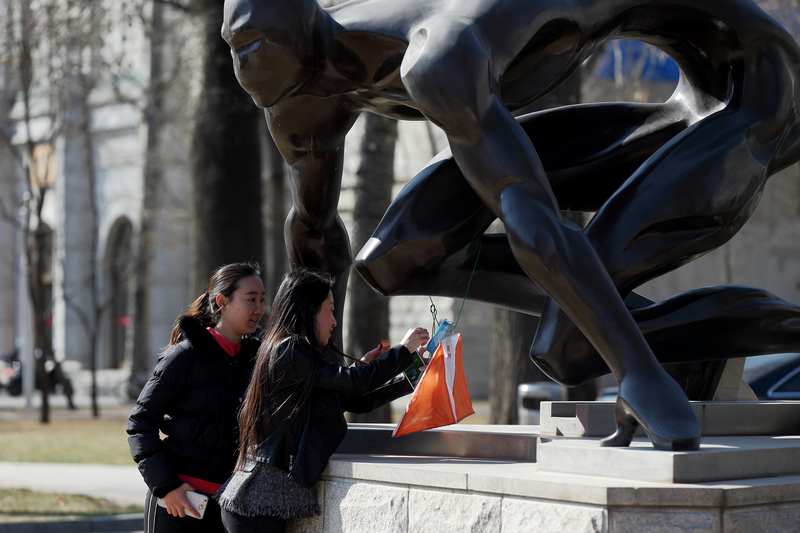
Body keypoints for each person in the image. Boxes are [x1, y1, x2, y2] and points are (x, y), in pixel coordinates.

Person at [221, 0, 800, 450]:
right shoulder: (300, 99)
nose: (242, 66)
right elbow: (314, 238)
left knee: (570, 345)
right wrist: (308, 383)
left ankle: (751, 338)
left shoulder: (436, 53)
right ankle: (685, 350)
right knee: (396, 259)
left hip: (756, 93)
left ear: (301, 23)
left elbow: (534, 221)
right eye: (232, 46)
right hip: (686, 103)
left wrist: (636, 374)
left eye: (252, 43)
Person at [216, 268, 429, 533]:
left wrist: (411, 378)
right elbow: (355, 382)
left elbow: (356, 399)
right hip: (257, 504)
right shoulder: (290, 350)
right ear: (308, 311)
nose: (334, 322)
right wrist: (403, 350)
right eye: (330, 310)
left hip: (261, 503)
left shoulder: (295, 353)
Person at [127, 262, 266, 533]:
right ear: (222, 302)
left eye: (262, 299)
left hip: (228, 506)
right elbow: (140, 424)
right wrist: (166, 487)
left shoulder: (256, 362)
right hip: (177, 505)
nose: (259, 309)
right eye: (251, 299)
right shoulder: (184, 356)